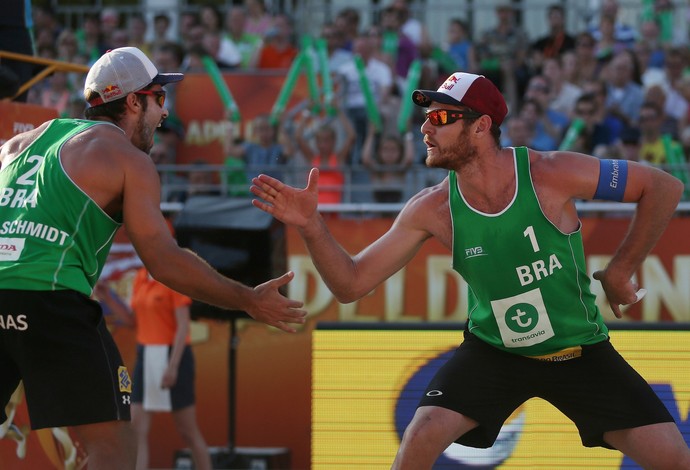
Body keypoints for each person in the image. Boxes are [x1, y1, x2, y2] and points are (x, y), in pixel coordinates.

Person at [250, 71, 690, 469]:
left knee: (675, 460)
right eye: (426, 117)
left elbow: (664, 187)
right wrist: (311, 225)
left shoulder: (549, 173)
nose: (425, 128)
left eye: (440, 117)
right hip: (494, 352)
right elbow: (349, 284)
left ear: (480, 126)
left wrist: (619, 270)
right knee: (418, 440)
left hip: (579, 351)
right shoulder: (433, 208)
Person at [0, 46, 306, 469]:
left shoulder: (18, 144)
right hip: (51, 297)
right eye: (160, 98)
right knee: (114, 451)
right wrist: (248, 299)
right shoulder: (128, 159)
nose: (165, 113)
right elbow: (162, 260)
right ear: (132, 101)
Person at [96, 267, 213, 470]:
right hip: (146, 354)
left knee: (187, 430)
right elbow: (133, 321)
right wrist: (108, 297)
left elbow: (183, 325)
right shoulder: (140, 277)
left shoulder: (173, 276)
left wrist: (173, 366)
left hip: (173, 355)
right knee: (136, 427)